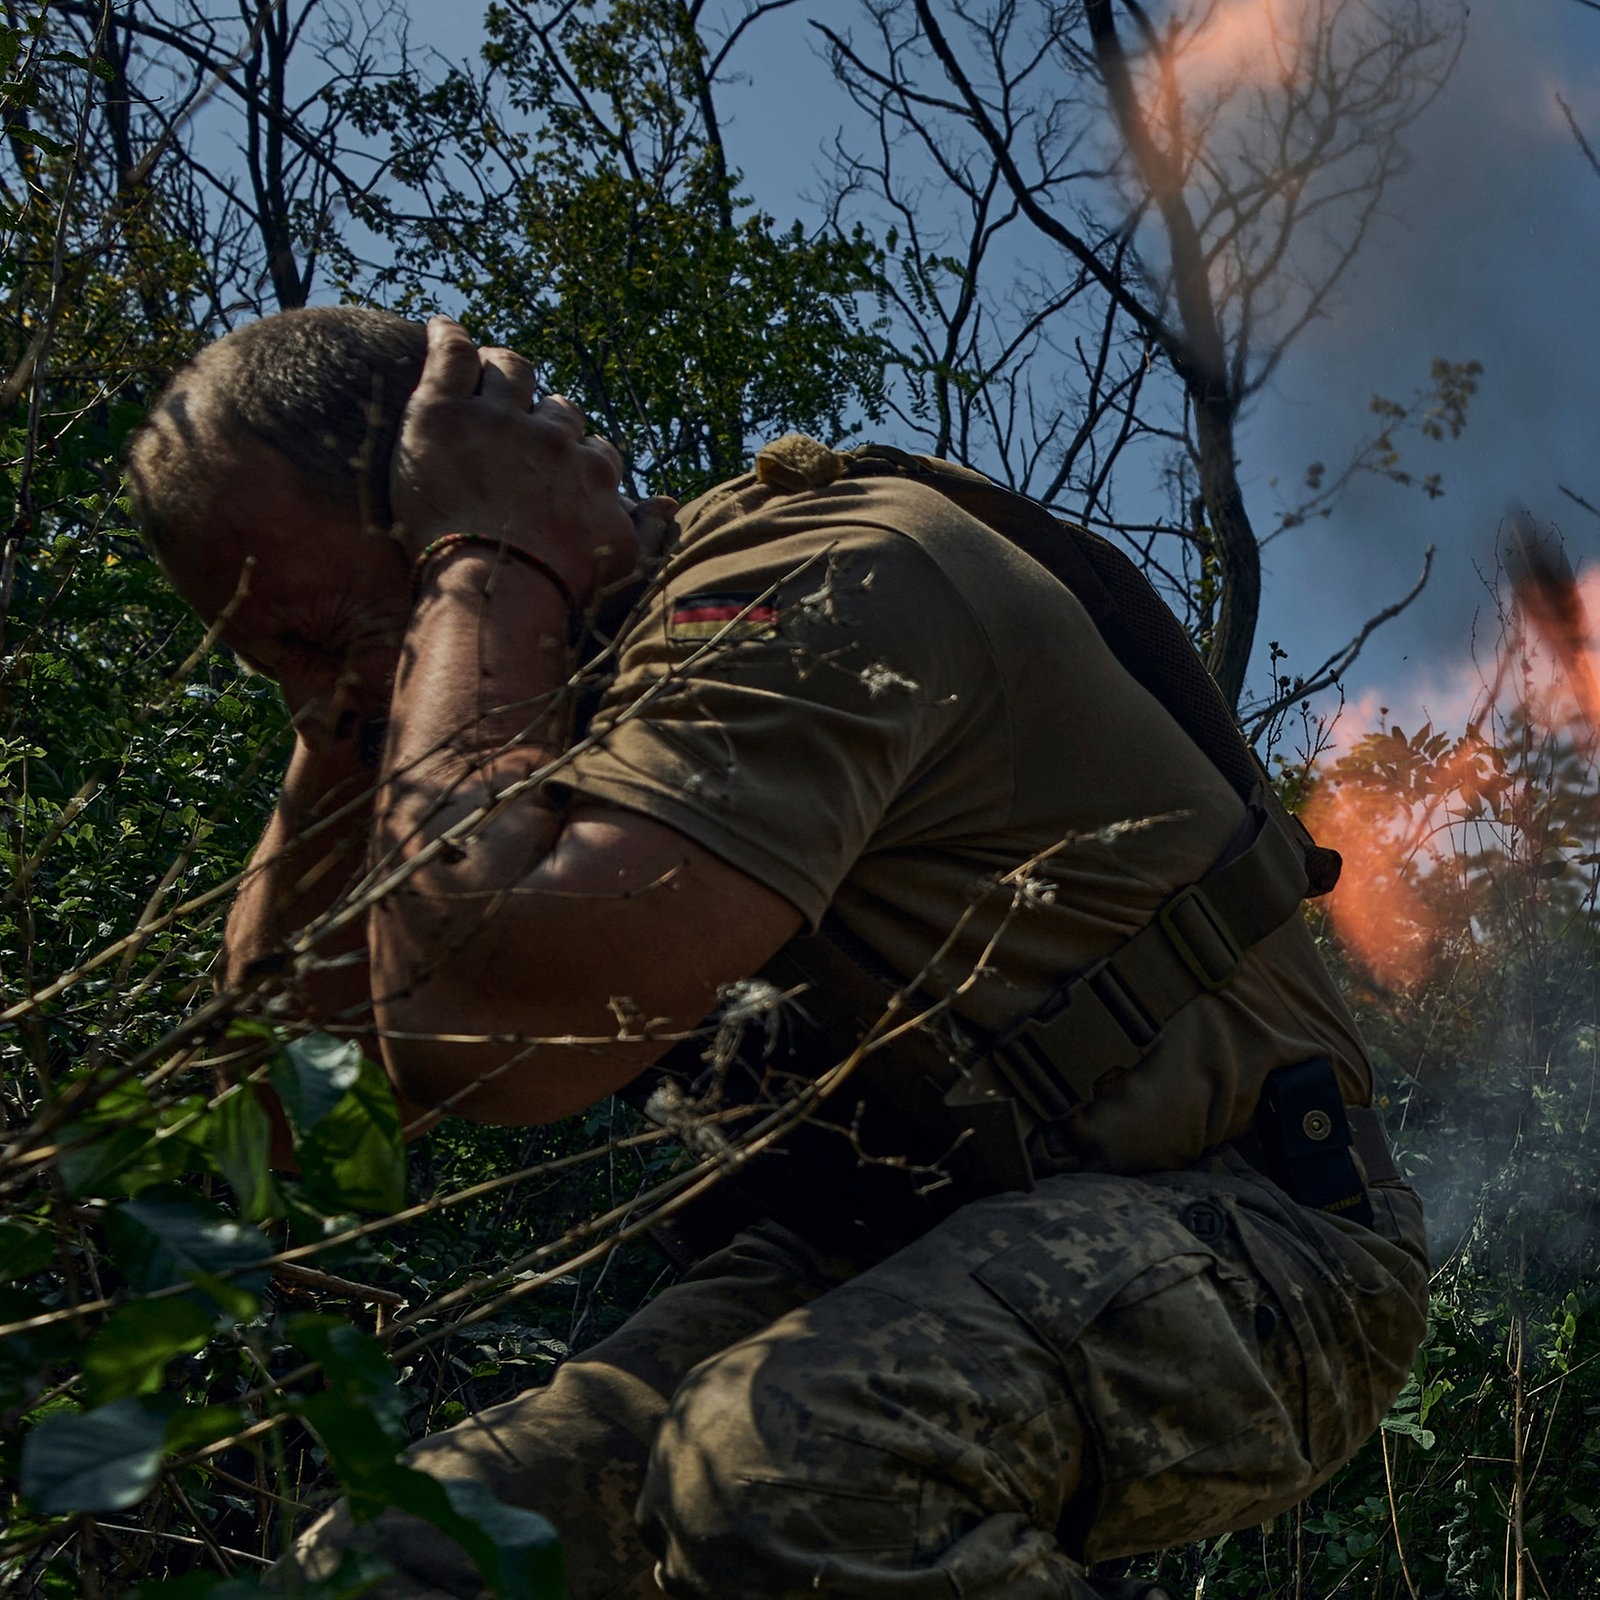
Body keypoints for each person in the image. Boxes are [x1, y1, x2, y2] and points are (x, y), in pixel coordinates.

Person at [128, 305, 1429, 1600]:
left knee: (781, 1470)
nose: (323, 704)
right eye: (268, 669)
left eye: (311, 642)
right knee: (410, 1558)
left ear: (441, 499)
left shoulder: (813, 584)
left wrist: (486, 558)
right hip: (890, 1248)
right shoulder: (514, 697)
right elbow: (268, 1114)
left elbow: (492, 1019)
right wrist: (349, 712)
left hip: (1268, 1242)